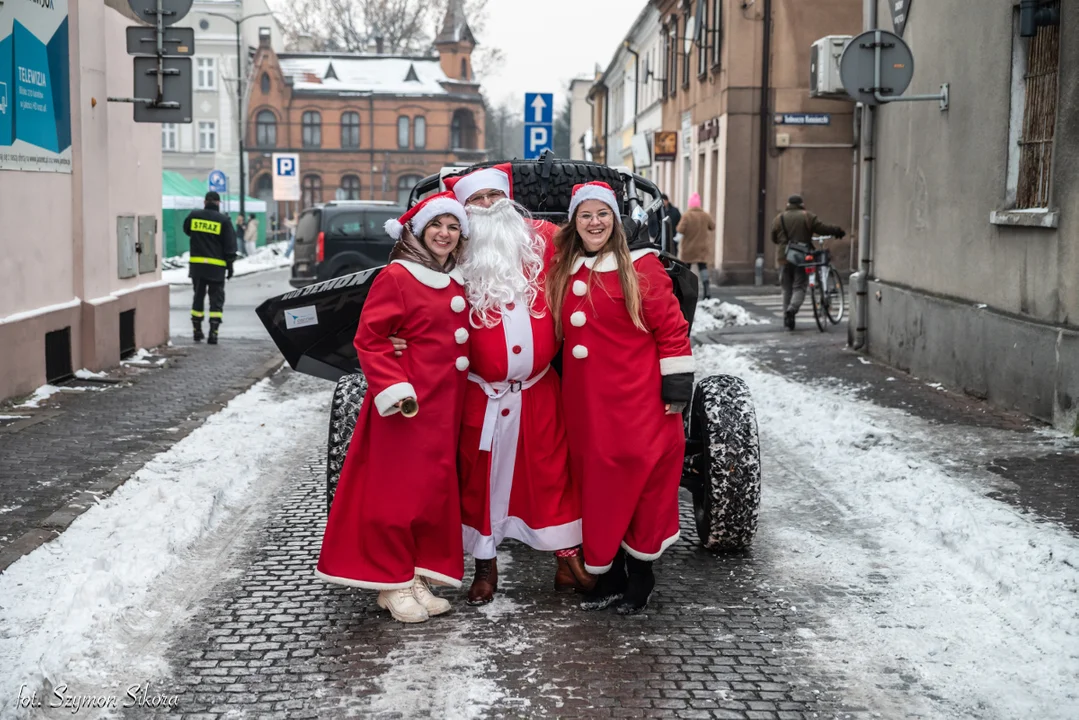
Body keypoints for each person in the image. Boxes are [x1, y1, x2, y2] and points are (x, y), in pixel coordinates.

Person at [434, 163, 589, 605]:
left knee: (551, 471)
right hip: (479, 393)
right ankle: (485, 565)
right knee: (480, 477)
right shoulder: (452, 251)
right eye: (475, 200)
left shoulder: (541, 238)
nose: (486, 206)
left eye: (493, 197)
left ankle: (566, 560)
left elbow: (590, 236)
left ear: (508, 202)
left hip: (540, 387)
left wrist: (624, 227)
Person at [315, 191, 472, 624]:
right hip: (406, 405)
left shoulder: (456, 277)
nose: (444, 233)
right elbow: (371, 338)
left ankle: (414, 571)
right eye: (437, 225)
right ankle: (391, 582)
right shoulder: (398, 276)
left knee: (428, 492)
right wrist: (395, 388)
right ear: (419, 231)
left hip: (444, 406)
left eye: (453, 226)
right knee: (394, 494)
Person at [546, 182, 694, 615]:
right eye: (586, 215)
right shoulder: (564, 267)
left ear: (616, 219)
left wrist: (677, 387)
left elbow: (671, 329)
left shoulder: (640, 267)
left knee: (640, 487)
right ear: (574, 222)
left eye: (603, 214)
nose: (595, 223)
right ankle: (608, 574)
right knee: (596, 488)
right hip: (586, 406)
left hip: (636, 403)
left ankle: (640, 578)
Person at [770, 194, 845, 330]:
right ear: (801, 204)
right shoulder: (807, 216)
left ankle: (787, 319)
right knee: (799, 286)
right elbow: (822, 228)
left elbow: (774, 238)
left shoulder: (778, 219)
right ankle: (792, 310)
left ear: (788, 205)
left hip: (784, 257)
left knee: (786, 288)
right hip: (801, 257)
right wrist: (837, 231)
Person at [182, 191, 237, 345]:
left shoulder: (194, 216)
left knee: (198, 297)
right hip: (216, 268)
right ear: (218, 203)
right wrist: (230, 265)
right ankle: (213, 332)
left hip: (197, 267)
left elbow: (186, 230)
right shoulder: (224, 220)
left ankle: (196, 330)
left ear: (204, 202)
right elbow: (230, 245)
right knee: (216, 300)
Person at [676, 193, 716, 299]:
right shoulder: (705, 215)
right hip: (702, 247)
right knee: (703, 267)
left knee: (687, 269)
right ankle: (707, 289)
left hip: (688, 247)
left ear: (690, 205)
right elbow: (712, 226)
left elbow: (680, 229)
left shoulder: (687, 215)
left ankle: (687, 291)